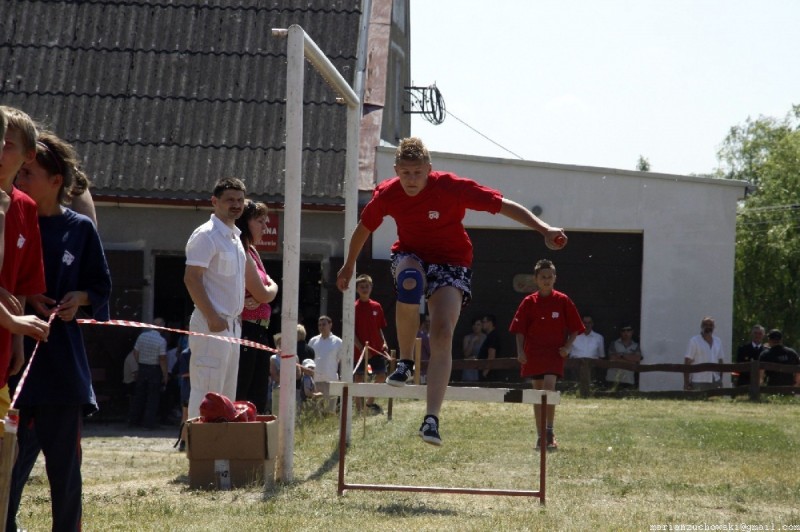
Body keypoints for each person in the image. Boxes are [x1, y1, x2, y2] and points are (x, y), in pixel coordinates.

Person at [336, 137, 567, 446]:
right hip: (411, 255)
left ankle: (431, 418)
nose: (411, 180)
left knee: (443, 333)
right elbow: (364, 228)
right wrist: (348, 265)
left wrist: (544, 228)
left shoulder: (451, 187)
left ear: (429, 169)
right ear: (396, 170)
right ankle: (406, 361)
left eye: (418, 173)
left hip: (452, 262)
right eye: (405, 173)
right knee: (409, 281)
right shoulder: (389, 193)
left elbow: (502, 205)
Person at [8, 130, 112, 532]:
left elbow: (100, 286)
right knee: (9, 464)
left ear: (55, 181)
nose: (20, 180)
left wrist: (78, 298)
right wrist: (26, 293)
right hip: (14, 362)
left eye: (28, 173)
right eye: (19, 172)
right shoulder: (11, 218)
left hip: (63, 367)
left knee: (65, 471)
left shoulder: (80, 229)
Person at [184, 177, 260, 419]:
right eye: (229, 200)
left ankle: (219, 444)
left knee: (226, 398)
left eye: (240, 200)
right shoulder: (206, 235)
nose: (236, 205)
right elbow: (192, 278)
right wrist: (212, 317)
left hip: (232, 325)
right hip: (211, 324)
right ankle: (198, 442)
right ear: (215, 202)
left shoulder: (236, 238)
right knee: (206, 393)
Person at [0, 107, 48, 421]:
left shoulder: (25, 208)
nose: (0, 151)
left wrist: (16, 338)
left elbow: (23, 284)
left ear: (28, 156)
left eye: (8, 145)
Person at [510, 259, 583, 451]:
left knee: (549, 389)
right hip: (533, 353)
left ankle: (549, 431)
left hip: (554, 353)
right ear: (536, 279)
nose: (546, 280)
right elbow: (519, 330)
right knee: (537, 393)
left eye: (550, 277)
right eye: (543, 277)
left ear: (555, 278)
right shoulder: (529, 302)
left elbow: (576, 327)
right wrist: (520, 351)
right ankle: (540, 435)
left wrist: (567, 347)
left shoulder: (563, 300)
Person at [235, 199, 279, 414]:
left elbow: (271, 285)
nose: (265, 226)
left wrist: (267, 293)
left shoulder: (253, 251)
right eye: (260, 221)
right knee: (244, 390)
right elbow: (264, 291)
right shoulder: (241, 250)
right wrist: (266, 293)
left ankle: (253, 431)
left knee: (259, 393)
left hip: (261, 330)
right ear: (246, 222)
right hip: (247, 329)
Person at [353, 274, 388, 414]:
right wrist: (361, 348)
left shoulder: (377, 306)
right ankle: (359, 410)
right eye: (361, 287)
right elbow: (351, 332)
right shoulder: (353, 307)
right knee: (359, 378)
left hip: (376, 349)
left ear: (371, 288)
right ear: (357, 289)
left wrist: (384, 342)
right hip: (360, 352)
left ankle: (369, 403)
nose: (364, 289)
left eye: (367, 286)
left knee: (381, 375)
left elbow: (380, 328)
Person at [127, 318, 168, 429]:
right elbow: (162, 358)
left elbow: (135, 352)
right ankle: (148, 423)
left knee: (139, 395)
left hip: (142, 367)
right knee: (152, 397)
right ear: (162, 327)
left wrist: (140, 363)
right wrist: (165, 374)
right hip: (154, 369)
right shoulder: (161, 341)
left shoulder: (142, 336)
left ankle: (134, 421)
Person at [307, 315, 344, 413]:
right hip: (315, 381)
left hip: (331, 380)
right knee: (316, 412)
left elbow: (342, 361)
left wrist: (341, 377)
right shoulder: (313, 341)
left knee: (329, 411)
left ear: (330, 325)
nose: (321, 327)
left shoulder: (338, 342)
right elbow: (308, 360)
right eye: (319, 325)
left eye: (324, 324)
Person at [684, 316, 725, 391]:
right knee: (698, 398)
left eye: (711, 325)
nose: (708, 327)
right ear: (701, 326)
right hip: (699, 380)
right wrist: (686, 382)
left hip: (715, 379)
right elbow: (687, 361)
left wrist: (721, 379)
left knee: (716, 399)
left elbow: (720, 361)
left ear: (714, 327)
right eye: (706, 325)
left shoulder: (718, 341)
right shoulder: (694, 341)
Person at [568, 314, 605, 383]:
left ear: (592, 324)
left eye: (589, 323)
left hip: (592, 368)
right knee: (573, 387)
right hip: (575, 367)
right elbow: (567, 354)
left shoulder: (599, 337)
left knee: (592, 387)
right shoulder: (573, 336)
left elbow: (601, 356)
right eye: (585, 322)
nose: (587, 325)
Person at [605, 324, 643, 389]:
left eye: (628, 330)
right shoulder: (613, 343)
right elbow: (612, 358)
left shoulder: (636, 345)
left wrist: (621, 355)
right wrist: (631, 361)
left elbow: (637, 358)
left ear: (632, 332)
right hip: (613, 378)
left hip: (628, 379)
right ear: (620, 332)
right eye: (623, 330)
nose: (626, 332)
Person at [461, 317, 485, 382]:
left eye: (478, 324)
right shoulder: (467, 338)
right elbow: (466, 354)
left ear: (482, 326)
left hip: (481, 367)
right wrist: (472, 342)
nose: (476, 327)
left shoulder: (485, 338)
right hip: (469, 368)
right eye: (474, 324)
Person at [478, 314, 501, 382]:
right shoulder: (490, 336)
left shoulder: (493, 336)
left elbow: (491, 356)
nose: (482, 324)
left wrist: (485, 373)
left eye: (483, 322)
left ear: (490, 323)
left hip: (490, 375)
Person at [416, 314, 431, 383]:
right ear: (423, 324)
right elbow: (431, 351)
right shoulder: (423, 337)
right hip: (424, 370)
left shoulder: (410, 336)